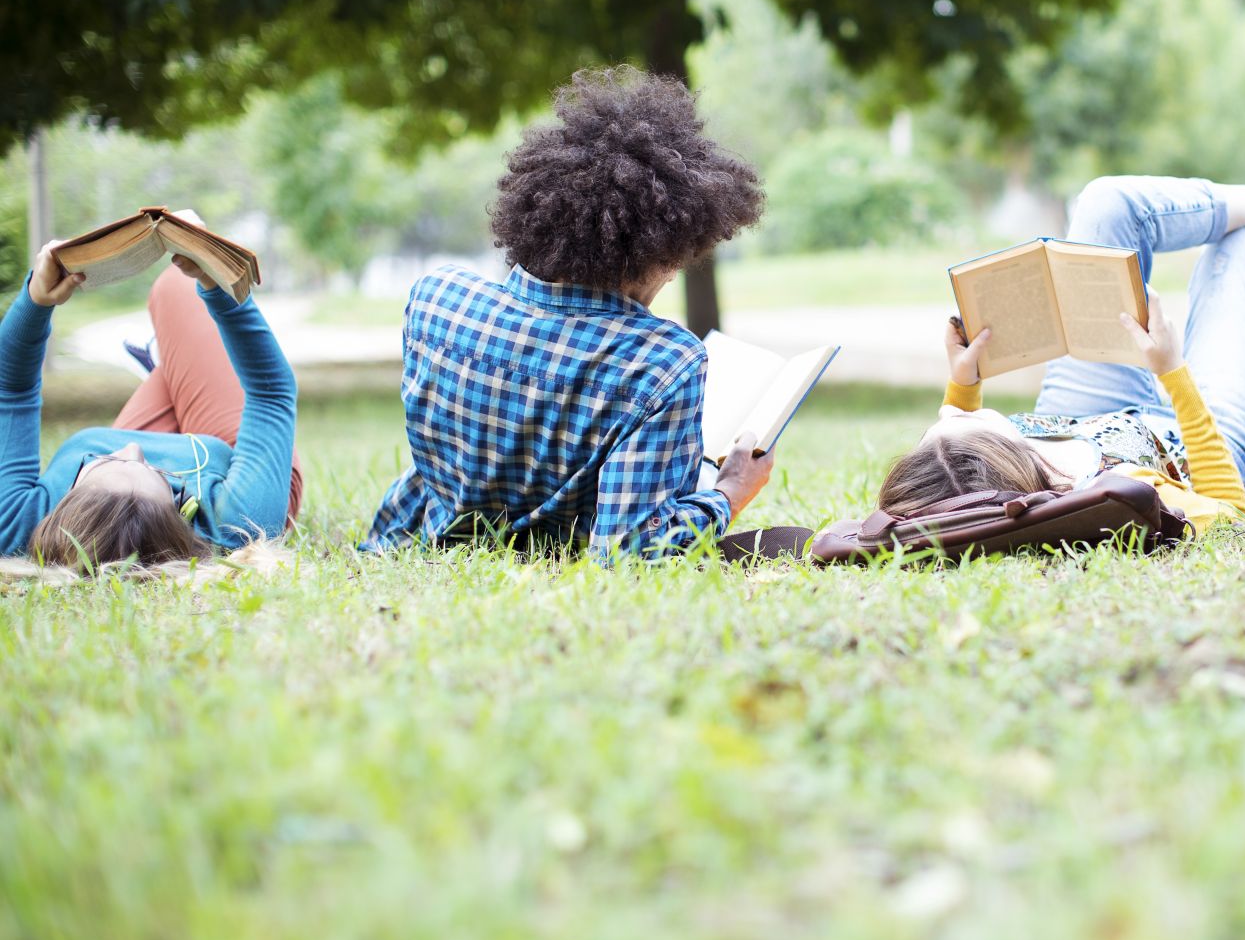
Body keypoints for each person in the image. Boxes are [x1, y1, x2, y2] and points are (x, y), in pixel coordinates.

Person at [362, 66, 774, 559]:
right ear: (661, 252)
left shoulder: (436, 300)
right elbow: (631, 551)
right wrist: (730, 491)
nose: (671, 277)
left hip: (421, 546)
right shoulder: (664, 362)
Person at [876, 90, 1245, 532]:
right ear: (1006, 452)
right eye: (962, 419)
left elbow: (955, 476)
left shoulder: (990, 469)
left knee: (1106, 202)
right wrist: (1172, 372)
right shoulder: (1118, 490)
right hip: (1193, 450)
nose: (952, 410)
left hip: (1077, 418)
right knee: (1242, 248)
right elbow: (1231, 519)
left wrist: (963, 385)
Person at [0, 242, 301, 572]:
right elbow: (270, 393)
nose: (132, 446)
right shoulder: (239, 519)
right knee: (177, 284)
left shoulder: (17, 524)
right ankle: (173, 364)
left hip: (185, 452)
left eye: (103, 461)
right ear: (177, 514)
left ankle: (170, 366)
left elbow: (11, 391)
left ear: (66, 503)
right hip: (242, 461)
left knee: (183, 353)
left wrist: (37, 301)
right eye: (155, 471)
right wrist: (216, 281)